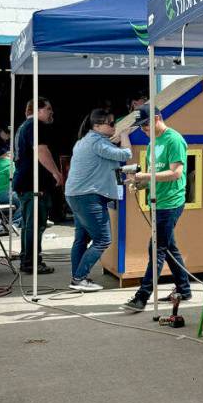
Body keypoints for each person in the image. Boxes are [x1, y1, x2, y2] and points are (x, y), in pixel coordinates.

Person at [122, 106, 191, 311]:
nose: (143, 129)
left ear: (157, 118)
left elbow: (176, 173)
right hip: (157, 201)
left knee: (156, 248)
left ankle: (142, 297)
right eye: (140, 126)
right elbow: (154, 175)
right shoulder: (153, 142)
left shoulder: (174, 140)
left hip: (171, 202)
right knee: (168, 247)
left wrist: (144, 176)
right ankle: (184, 289)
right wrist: (139, 183)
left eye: (145, 124)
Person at [64, 109, 133, 292]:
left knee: (81, 238)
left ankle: (77, 277)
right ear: (97, 126)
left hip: (76, 195)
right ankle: (79, 278)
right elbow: (126, 155)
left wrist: (115, 139)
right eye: (111, 124)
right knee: (103, 239)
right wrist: (125, 135)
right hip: (88, 197)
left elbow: (106, 156)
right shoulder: (97, 143)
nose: (114, 126)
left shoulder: (86, 140)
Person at [14, 97, 63, 275]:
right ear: (37, 110)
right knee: (35, 224)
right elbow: (41, 150)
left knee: (30, 224)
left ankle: (28, 259)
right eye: (48, 109)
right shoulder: (35, 125)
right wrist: (55, 172)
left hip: (26, 183)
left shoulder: (23, 127)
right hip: (32, 184)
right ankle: (31, 262)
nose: (51, 112)